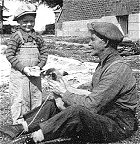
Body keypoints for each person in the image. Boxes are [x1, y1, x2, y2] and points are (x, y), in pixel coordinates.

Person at [1, 22, 138, 144]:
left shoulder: (117, 69)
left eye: (92, 40)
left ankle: (35, 138)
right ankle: (22, 127)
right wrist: (65, 89)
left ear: (105, 42)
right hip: (105, 115)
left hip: (117, 124)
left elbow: (92, 106)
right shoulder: (104, 65)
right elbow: (92, 94)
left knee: (77, 111)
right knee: (54, 103)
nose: (89, 44)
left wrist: (64, 93)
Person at [5, 3, 48, 124]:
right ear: (18, 22)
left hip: (35, 75)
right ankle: (19, 123)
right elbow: (10, 55)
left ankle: (34, 123)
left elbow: (44, 53)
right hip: (19, 75)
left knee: (36, 98)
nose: (28, 24)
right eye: (25, 21)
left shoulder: (37, 37)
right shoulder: (16, 37)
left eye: (31, 21)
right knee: (19, 99)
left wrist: (39, 67)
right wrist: (23, 68)